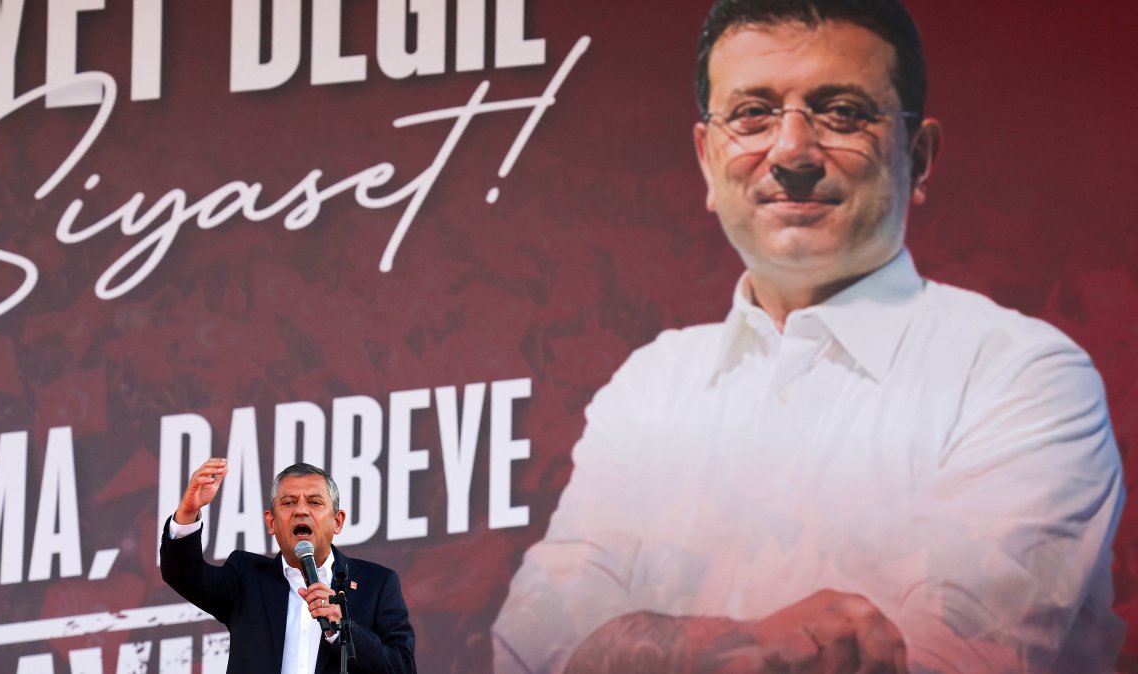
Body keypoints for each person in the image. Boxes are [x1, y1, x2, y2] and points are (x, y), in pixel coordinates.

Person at [491, 1, 1125, 673]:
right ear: (708, 160)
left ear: (920, 156)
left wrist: (627, 649)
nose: (791, 152)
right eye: (752, 115)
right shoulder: (651, 384)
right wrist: (721, 647)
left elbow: (950, 664)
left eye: (842, 112)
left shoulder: (1022, 376)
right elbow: (528, 650)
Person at [161, 460, 417, 674]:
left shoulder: (377, 583)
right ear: (270, 522)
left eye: (315, 502)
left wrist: (343, 629)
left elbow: (402, 667)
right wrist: (188, 510)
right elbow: (184, 575)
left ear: (337, 521)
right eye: (289, 502)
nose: (301, 510)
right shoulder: (246, 578)